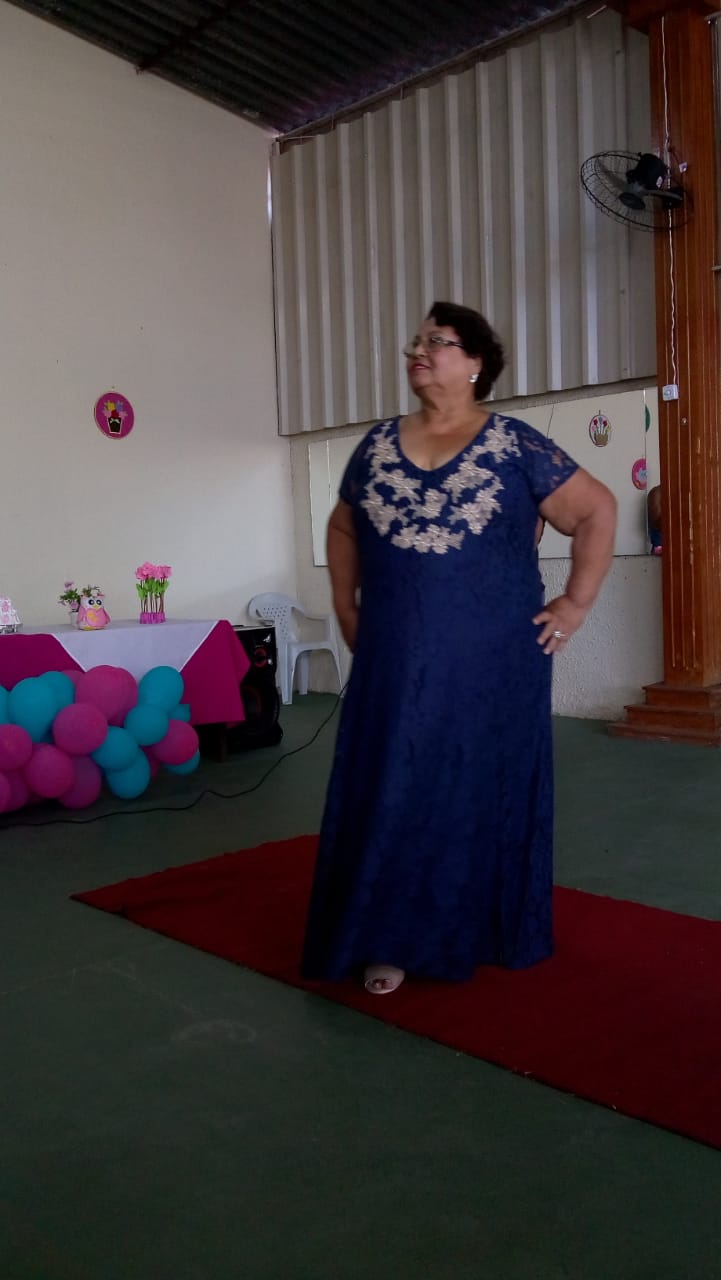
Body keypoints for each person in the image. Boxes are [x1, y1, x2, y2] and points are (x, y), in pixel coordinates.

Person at [301, 301, 617, 995]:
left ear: (476, 362)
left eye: (438, 341)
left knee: (475, 787)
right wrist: (346, 607)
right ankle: (386, 938)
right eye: (416, 342)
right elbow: (343, 527)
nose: (419, 351)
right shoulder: (377, 446)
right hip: (394, 661)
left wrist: (575, 602)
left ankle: (480, 927)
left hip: (493, 664)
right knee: (394, 783)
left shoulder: (514, 446)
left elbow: (596, 510)